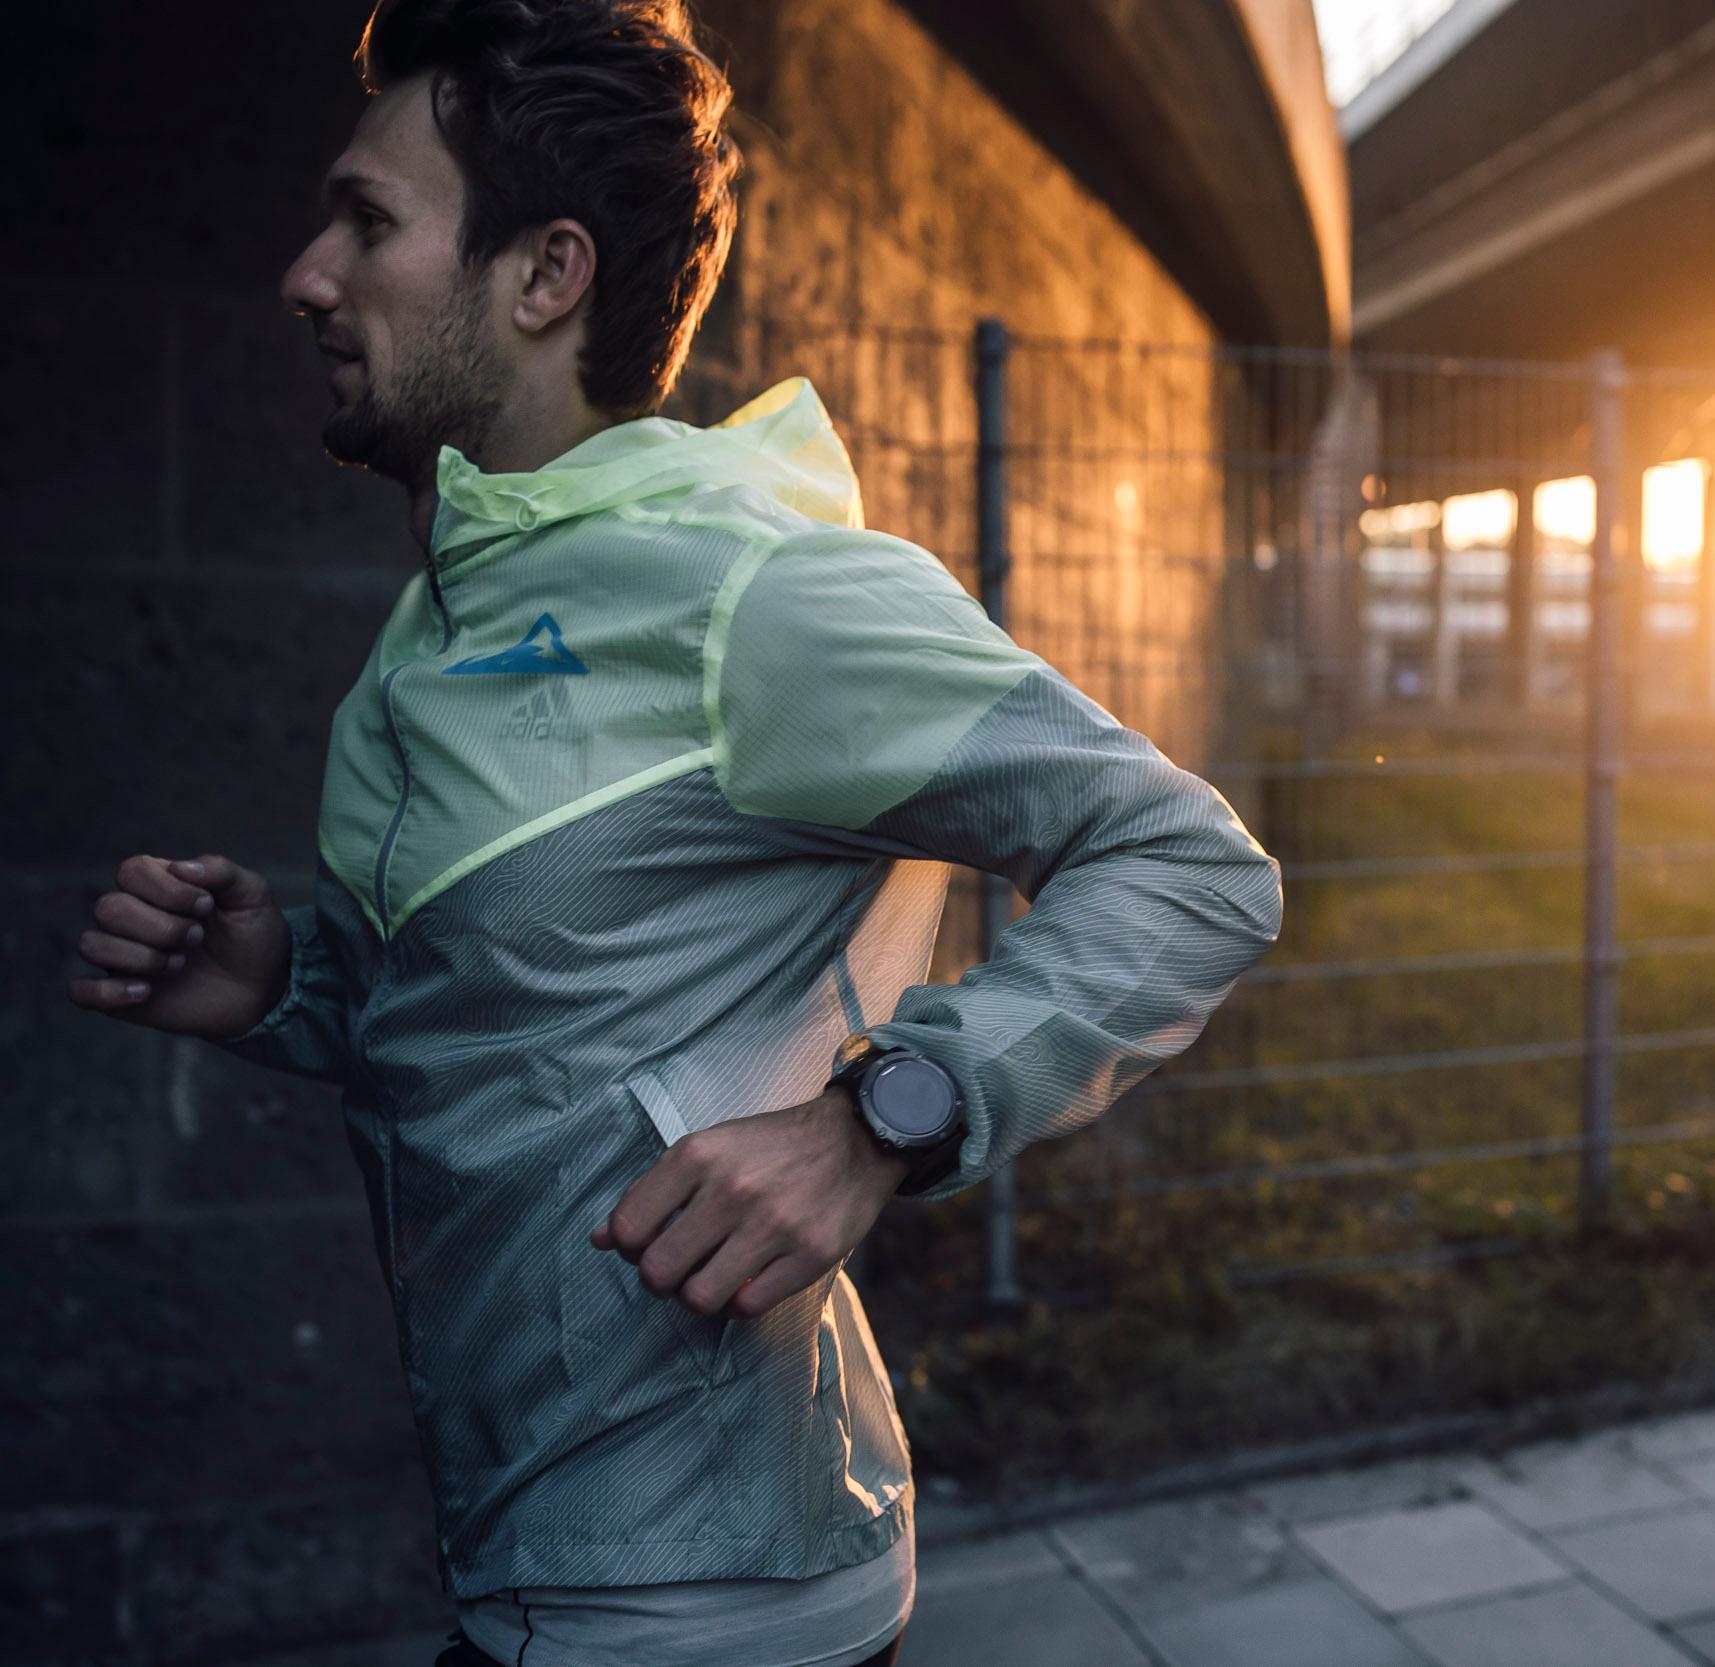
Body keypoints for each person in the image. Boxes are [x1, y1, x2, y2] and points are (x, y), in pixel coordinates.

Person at [63, 3, 1283, 1663]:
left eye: (367, 221)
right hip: (519, 1574)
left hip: (711, 1608)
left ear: (545, 275)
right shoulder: (433, 627)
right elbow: (544, 1044)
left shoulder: (751, 588)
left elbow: (1192, 864)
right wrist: (294, 990)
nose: (306, 275)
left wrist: (883, 1122)